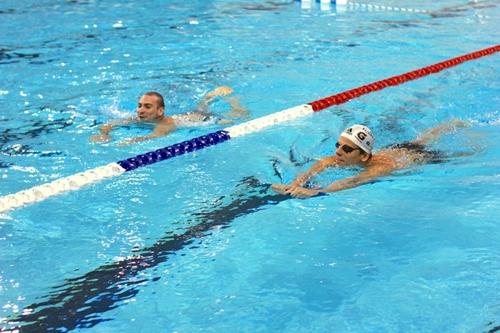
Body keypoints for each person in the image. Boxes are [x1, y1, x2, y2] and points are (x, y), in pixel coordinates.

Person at [271, 120, 468, 198]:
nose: (339, 152)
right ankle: (450, 124)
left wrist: (317, 191)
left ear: (363, 156)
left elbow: (354, 180)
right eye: (337, 145)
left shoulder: (379, 169)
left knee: (462, 156)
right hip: (395, 148)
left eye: (347, 149)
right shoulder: (341, 157)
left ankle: (457, 125)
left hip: (416, 158)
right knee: (420, 139)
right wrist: (296, 182)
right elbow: (322, 163)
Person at [90, 86, 247, 145]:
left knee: (239, 117)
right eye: (139, 106)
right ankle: (208, 98)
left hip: (201, 120)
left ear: (160, 111)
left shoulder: (166, 124)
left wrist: (131, 141)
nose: (140, 110)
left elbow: (153, 137)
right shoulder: (137, 118)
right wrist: (104, 134)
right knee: (201, 107)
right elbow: (109, 124)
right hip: (189, 114)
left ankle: (233, 101)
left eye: (147, 106)